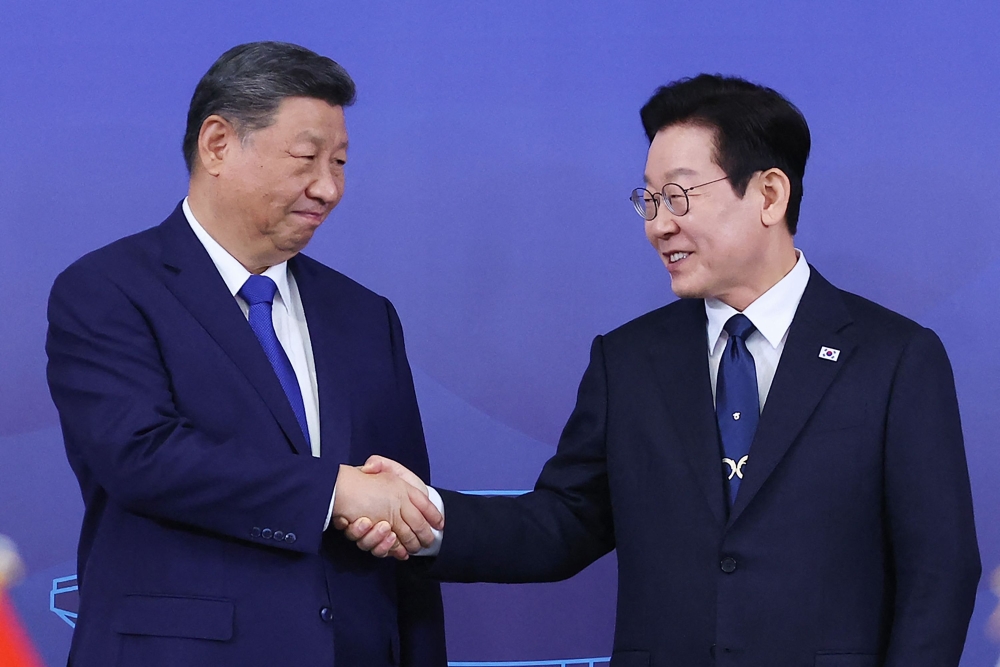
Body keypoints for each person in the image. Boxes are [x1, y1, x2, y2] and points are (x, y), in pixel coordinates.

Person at [345, 75, 982, 666]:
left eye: (677, 196)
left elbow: (941, 569)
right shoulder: (628, 362)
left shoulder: (895, 358)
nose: (658, 224)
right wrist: (421, 516)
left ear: (768, 194)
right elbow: (561, 524)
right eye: (647, 199)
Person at [45, 41, 446, 667]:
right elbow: (140, 455)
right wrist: (332, 492)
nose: (329, 187)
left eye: (340, 162)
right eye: (307, 158)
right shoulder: (107, 289)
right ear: (218, 144)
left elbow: (404, 516)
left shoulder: (365, 316)